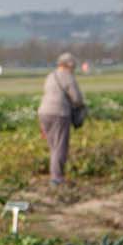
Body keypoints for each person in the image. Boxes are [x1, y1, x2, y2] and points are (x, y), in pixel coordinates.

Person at [38, 52, 85, 185]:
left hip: (43, 112)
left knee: (53, 146)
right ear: (69, 65)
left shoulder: (50, 76)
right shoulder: (68, 77)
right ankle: (57, 178)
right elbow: (77, 98)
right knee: (60, 146)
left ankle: (55, 175)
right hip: (59, 113)